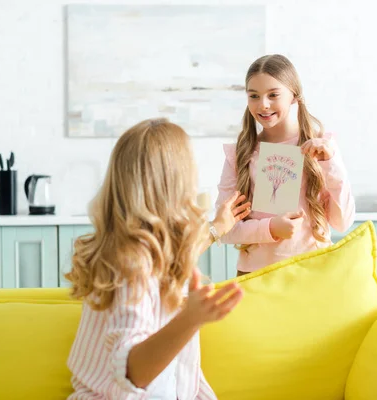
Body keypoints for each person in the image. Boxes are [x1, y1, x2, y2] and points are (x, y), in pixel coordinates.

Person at [65, 118, 251, 399]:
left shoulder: (154, 256)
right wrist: (190, 319)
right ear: (175, 188)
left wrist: (217, 228)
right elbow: (131, 373)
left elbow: (181, 374)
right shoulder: (131, 264)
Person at [215, 54, 356, 276]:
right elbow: (225, 231)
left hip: (311, 273)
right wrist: (270, 228)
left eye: (273, 95)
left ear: (293, 96)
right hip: (256, 277)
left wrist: (331, 162)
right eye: (254, 96)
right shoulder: (239, 154)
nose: (263, 104)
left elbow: (343, 222)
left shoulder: (321, 148)